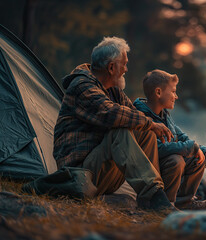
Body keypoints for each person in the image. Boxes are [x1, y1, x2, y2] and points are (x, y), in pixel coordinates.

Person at [53, 37, 176, 211]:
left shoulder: (113, 90)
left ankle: (151, 200)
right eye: (124, 64)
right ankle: (156, 196)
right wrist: (150, 122)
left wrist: (150, 125)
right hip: (79, 176)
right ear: (111, 67)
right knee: (120, 132)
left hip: (102, 172)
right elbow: (110, 114)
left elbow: (135, 115)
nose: (126, 69)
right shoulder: (81, 86)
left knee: (145, 132)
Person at [133, 69, 206, 209]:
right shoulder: (140, 116)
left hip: (163, 167)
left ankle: (184, 202)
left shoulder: (164, 115)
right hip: (148, 173)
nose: (176, 96)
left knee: (197, 158)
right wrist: (191, 147)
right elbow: (157, 148)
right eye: (173, 91)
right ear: (158, 92)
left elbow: (183, 138)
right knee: (176, 160)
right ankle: (166, 205)